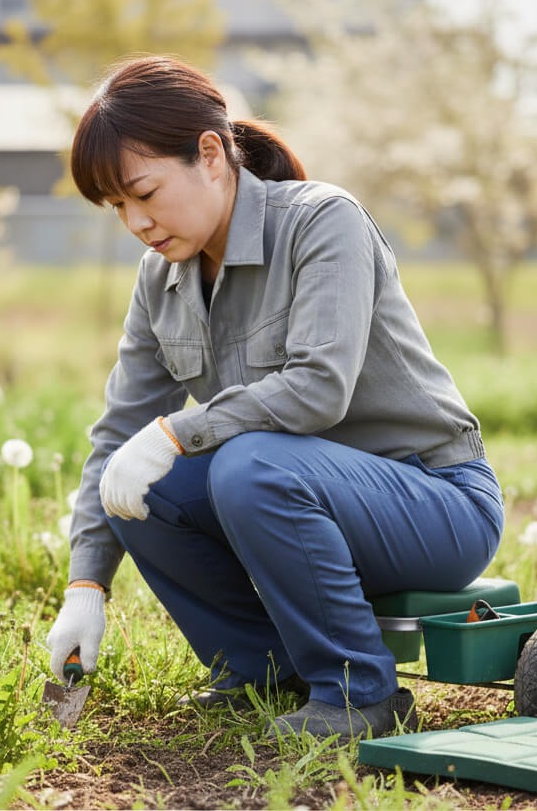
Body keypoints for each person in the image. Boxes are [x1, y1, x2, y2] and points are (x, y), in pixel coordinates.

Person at [47, 55, 505, 740]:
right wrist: (87, 584)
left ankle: (359, 696)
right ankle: (262, 675)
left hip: (432, 502)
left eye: (143, 192)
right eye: (117, 207)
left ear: (209, 154)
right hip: (294, 495)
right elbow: (118, 437)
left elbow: (317, 388)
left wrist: (177, 432)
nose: (136, 221)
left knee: (245, 460)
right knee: (135, 484)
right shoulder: (160, 278)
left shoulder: (323, 222)